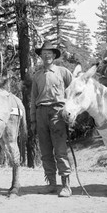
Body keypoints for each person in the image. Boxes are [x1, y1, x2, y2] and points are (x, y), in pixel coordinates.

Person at [30, 40, 73, 197]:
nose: (46, 56)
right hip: (41, 114)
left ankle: (66, 186)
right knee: (46, 152)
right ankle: (51, 184)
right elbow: (33, 99)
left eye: (49, 53)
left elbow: (74, 90)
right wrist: (33, 120)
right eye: (43, 54)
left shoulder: (63, 72)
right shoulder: (37, 76)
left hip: (57, 113)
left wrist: (69, 111)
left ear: (54, 55)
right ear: (40, 56)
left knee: (60, 150)